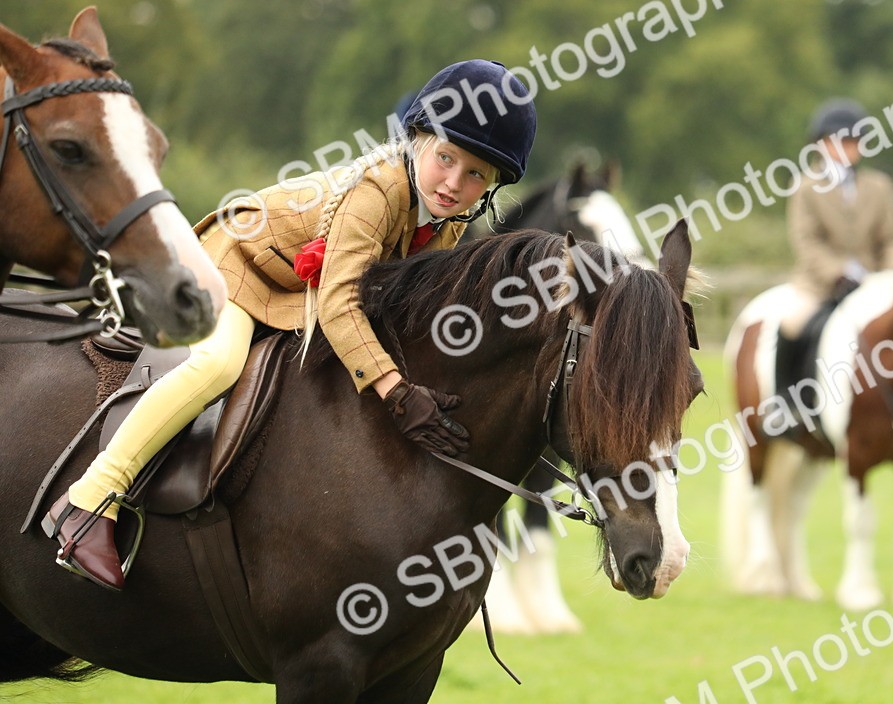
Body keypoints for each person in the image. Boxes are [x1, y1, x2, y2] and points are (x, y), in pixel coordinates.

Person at [41, 60, 537, 590]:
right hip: (239, 260)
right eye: (446, 158)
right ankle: (88, 502)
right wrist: (395, 391)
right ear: (417, 139)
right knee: (217, 364)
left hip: (292, 289)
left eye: (475, 175)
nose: (453, 184)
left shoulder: (450, 220)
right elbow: (340, 301)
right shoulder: (380, 190)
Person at [778, 98, 893, 394]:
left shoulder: (880, 186)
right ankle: (784, 402)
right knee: (791, 324)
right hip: (821, 285)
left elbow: (891, 239)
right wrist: (841, 271)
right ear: (821, 145)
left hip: (873, 282)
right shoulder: (805, 188)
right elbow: (807, 243)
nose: (846, 148)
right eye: (837, 141)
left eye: (853, 141)